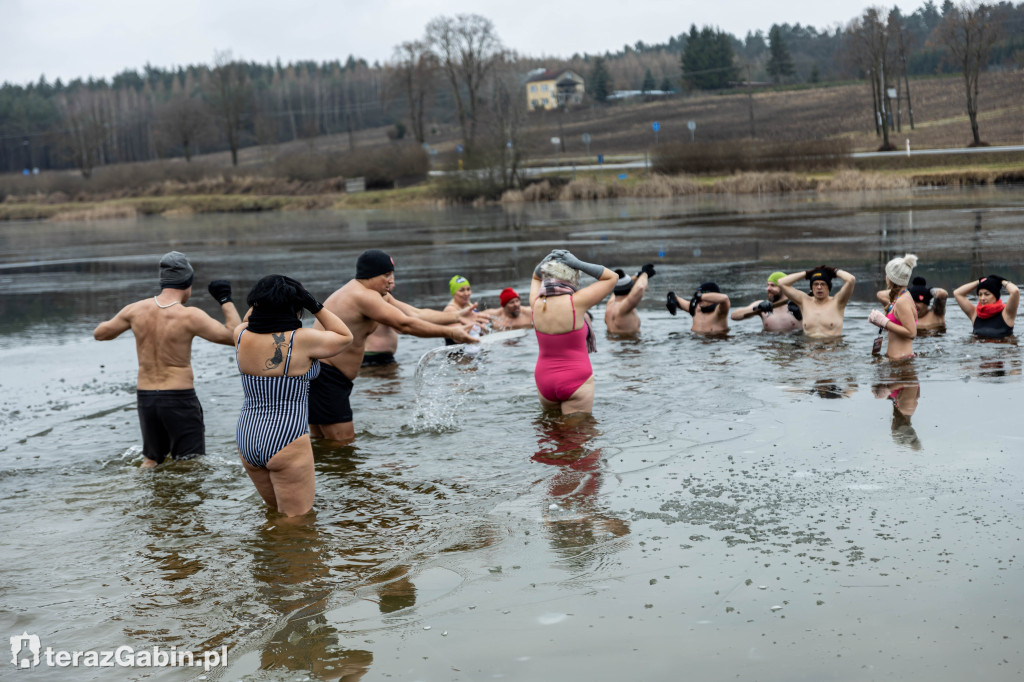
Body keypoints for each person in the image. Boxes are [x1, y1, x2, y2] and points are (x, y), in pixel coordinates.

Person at [309, 249, 488, 443]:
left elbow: (414, 314)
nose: (391, 280)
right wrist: (452, 333)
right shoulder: (363, 296)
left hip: (322, 375)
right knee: (342, 444)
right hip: (326, 377)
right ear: (370, 275)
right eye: (386, 275)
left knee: (322, 444)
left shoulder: (375, 294)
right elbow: (405, 324)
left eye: (392, 274)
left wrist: (456, 316)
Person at [93, 251, 241, 468]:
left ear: (163, 282)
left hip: (146, 398)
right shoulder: (190, 315)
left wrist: (127, 318)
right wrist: (225, 299)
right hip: (178, 397)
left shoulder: (135, 310)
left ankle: (151, 500)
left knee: (152, 460)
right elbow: (235, 337)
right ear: (188, 283)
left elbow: (100, 333)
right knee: (190, 463)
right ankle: (184, 503)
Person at [234, 275, 353, 517]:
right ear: (295, 306)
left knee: (276, 514)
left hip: (247, 436)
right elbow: (345, 336)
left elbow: (249, 319)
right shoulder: (303, 340)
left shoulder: (240, 335)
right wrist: (313, 303)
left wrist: (264, 293)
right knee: (297, 522)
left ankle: (268, 556)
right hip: (286, 437)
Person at [530, 250, 617, 414]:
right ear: (573, 278)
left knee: (550, 434)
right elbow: (612, 277)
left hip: (544, 380)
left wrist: (543, 262)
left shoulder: (536, 303)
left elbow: (535, 278)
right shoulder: (576, 302)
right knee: (576, 437)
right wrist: (579, 263)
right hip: (575, 379)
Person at [777, 265, 856, 338]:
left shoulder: (838, 302)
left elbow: (851, 279)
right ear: (812, 287)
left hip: (832, 350)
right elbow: (781, 283)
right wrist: (807, 274)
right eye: (815, 284)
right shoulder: (804, 301)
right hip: (810, 351)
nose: (819, 287)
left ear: (828, 287)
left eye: (823, 284)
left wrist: (834, 271)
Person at [868, 254, 919, 360]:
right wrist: (879, 322)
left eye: (887, 274)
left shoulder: (902, 301)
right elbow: (897, 328)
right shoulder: (900, 297)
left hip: (903, 361)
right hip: (897, 360)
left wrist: (885, 322)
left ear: (891, 278)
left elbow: (911, 333)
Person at [730, 271, 802, 332]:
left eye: (773, 285)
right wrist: (757, 308)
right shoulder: (762, 305)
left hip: (794, 345)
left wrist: (802, 313)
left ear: (784, 288)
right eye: (768, 285)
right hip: (769, 345)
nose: (768, 289)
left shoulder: (799, 304)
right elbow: (734, 316)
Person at [953, 275, 1018, 338]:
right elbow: (957, 293)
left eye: (987, 294)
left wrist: (1002, 281)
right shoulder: (974, 313)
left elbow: (1015, 291)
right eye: (980, 294)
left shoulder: (1007, 313)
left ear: (996, 296)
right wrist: (979, 281)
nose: (982, 298)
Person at [878, 276, 947, 330]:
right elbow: (881, 295)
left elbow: (942, 293)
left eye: (918, 302)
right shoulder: (902, 312)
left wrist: (929, 292)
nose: (914, 305)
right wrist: (903, 292)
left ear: (926, 303)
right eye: (911, 302)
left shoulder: (936, 314)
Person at [604, 264, 656, 334]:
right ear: (631, 289)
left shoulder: (610, 303)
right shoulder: (624, 307)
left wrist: (637, 276)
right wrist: (645, 274)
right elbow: (640, 288)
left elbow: (621, 285)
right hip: (629, 342)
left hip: (613, 341)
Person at [666, 281, 730, 334]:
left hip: (716, 343)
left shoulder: (720, 311)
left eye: (702, 295)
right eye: (699, 295)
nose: (699, 300)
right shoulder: (695, 309)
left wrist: (700, 296)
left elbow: (725, 298)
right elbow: (676, 298)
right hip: (696, 345)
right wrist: (671, 297)